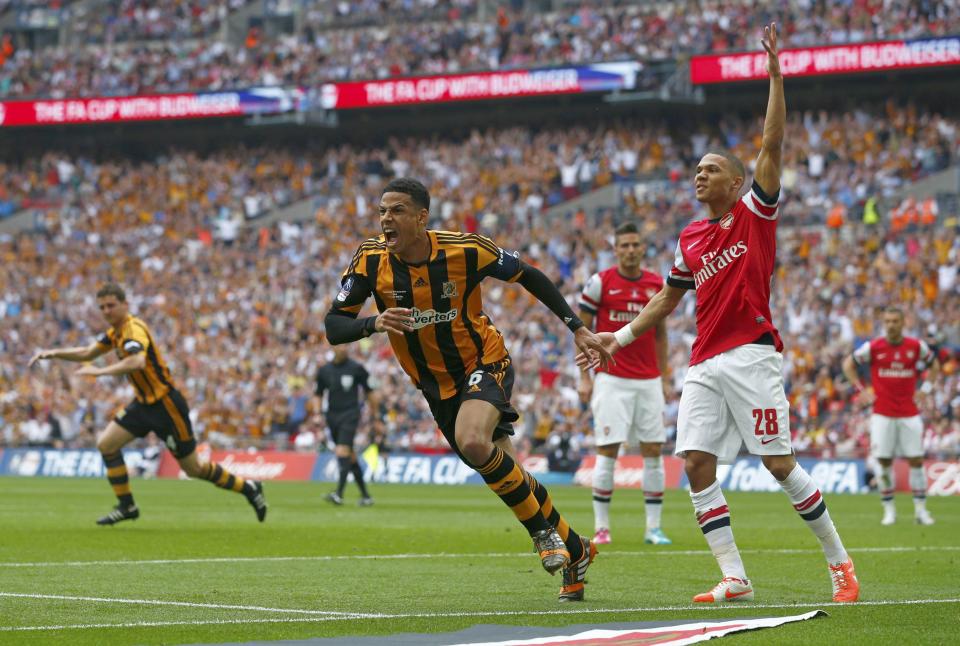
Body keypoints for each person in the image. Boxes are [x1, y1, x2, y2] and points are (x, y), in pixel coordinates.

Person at [577, 23, 859, 604]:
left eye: (709, 170)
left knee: (779, 464)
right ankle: (736, 576)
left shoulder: (755, 212)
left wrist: (777, 77)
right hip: (703, 360)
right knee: (696, 465)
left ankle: (840, 563)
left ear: (735, 182)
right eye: (697, 171)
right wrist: (617, 336)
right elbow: (668, 298)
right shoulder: (689, 237)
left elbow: (772, 145)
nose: (698, 176)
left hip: (752, 354)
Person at [325, 177, 611, 602]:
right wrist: (373, 323)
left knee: (474, 443)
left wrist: (577, 327)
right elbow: (334, 326)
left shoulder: (466, 249)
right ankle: (575, 549)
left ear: (421, 218)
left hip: (484, 362)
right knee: (511, 475)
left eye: (397, 210)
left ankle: (542, 535)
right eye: (382, 211)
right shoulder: (370, 261)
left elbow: (529, 275)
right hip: (434, 387)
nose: (386, 219)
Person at [28, 283, 267, 525]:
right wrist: (53, 353)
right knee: (106, 444)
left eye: (111, 305)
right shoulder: (115, 333)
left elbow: (137, 362)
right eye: (102, 307)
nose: (106, 311)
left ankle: (249, 488)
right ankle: (127, 506)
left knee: (194, 469)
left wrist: (101, 373)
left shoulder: (133, 329)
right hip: (143, 405)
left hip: (166, 406)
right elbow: (88, 352)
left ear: (125, 305)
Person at [578, 221, 672, 546]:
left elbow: (661, 335)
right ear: (615, 249)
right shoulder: (599, 283)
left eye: (635, 245)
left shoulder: (656, 284)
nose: (631, 250)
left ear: (642, 248)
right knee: (608, 449)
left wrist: (665, 376)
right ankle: (602, 528)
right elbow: (583, 332)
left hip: (648, 379)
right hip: (611, 379)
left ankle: (653, 528)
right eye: (625, 245)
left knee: (654, 449)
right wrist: (583, 377)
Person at [842, 306, 939, 526]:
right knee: (883, 461)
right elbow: (848, 365)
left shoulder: (915, 346)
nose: (891, 325)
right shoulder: (874, 347)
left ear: (903, 322)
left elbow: (934, 365)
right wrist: (861, 389)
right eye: (888, 321)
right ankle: (889, 511)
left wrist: (926, 389)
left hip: (909, 413)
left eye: (895, 321)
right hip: (882, 414)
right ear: (883, 323)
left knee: (916, 460)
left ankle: (921, 511)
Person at [315, 345, 377, 506]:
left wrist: (375, 415)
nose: (343, 348)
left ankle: (339, 494)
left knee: (342, 451)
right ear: (333, 348)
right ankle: (366, 496)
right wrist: (317, 414)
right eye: (340, 345)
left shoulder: (356, 368)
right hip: (332, 416)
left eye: (345, 345)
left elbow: (370, 391)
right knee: (349, 455)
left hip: (350, 414)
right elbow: (318, 393)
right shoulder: (324, 371)